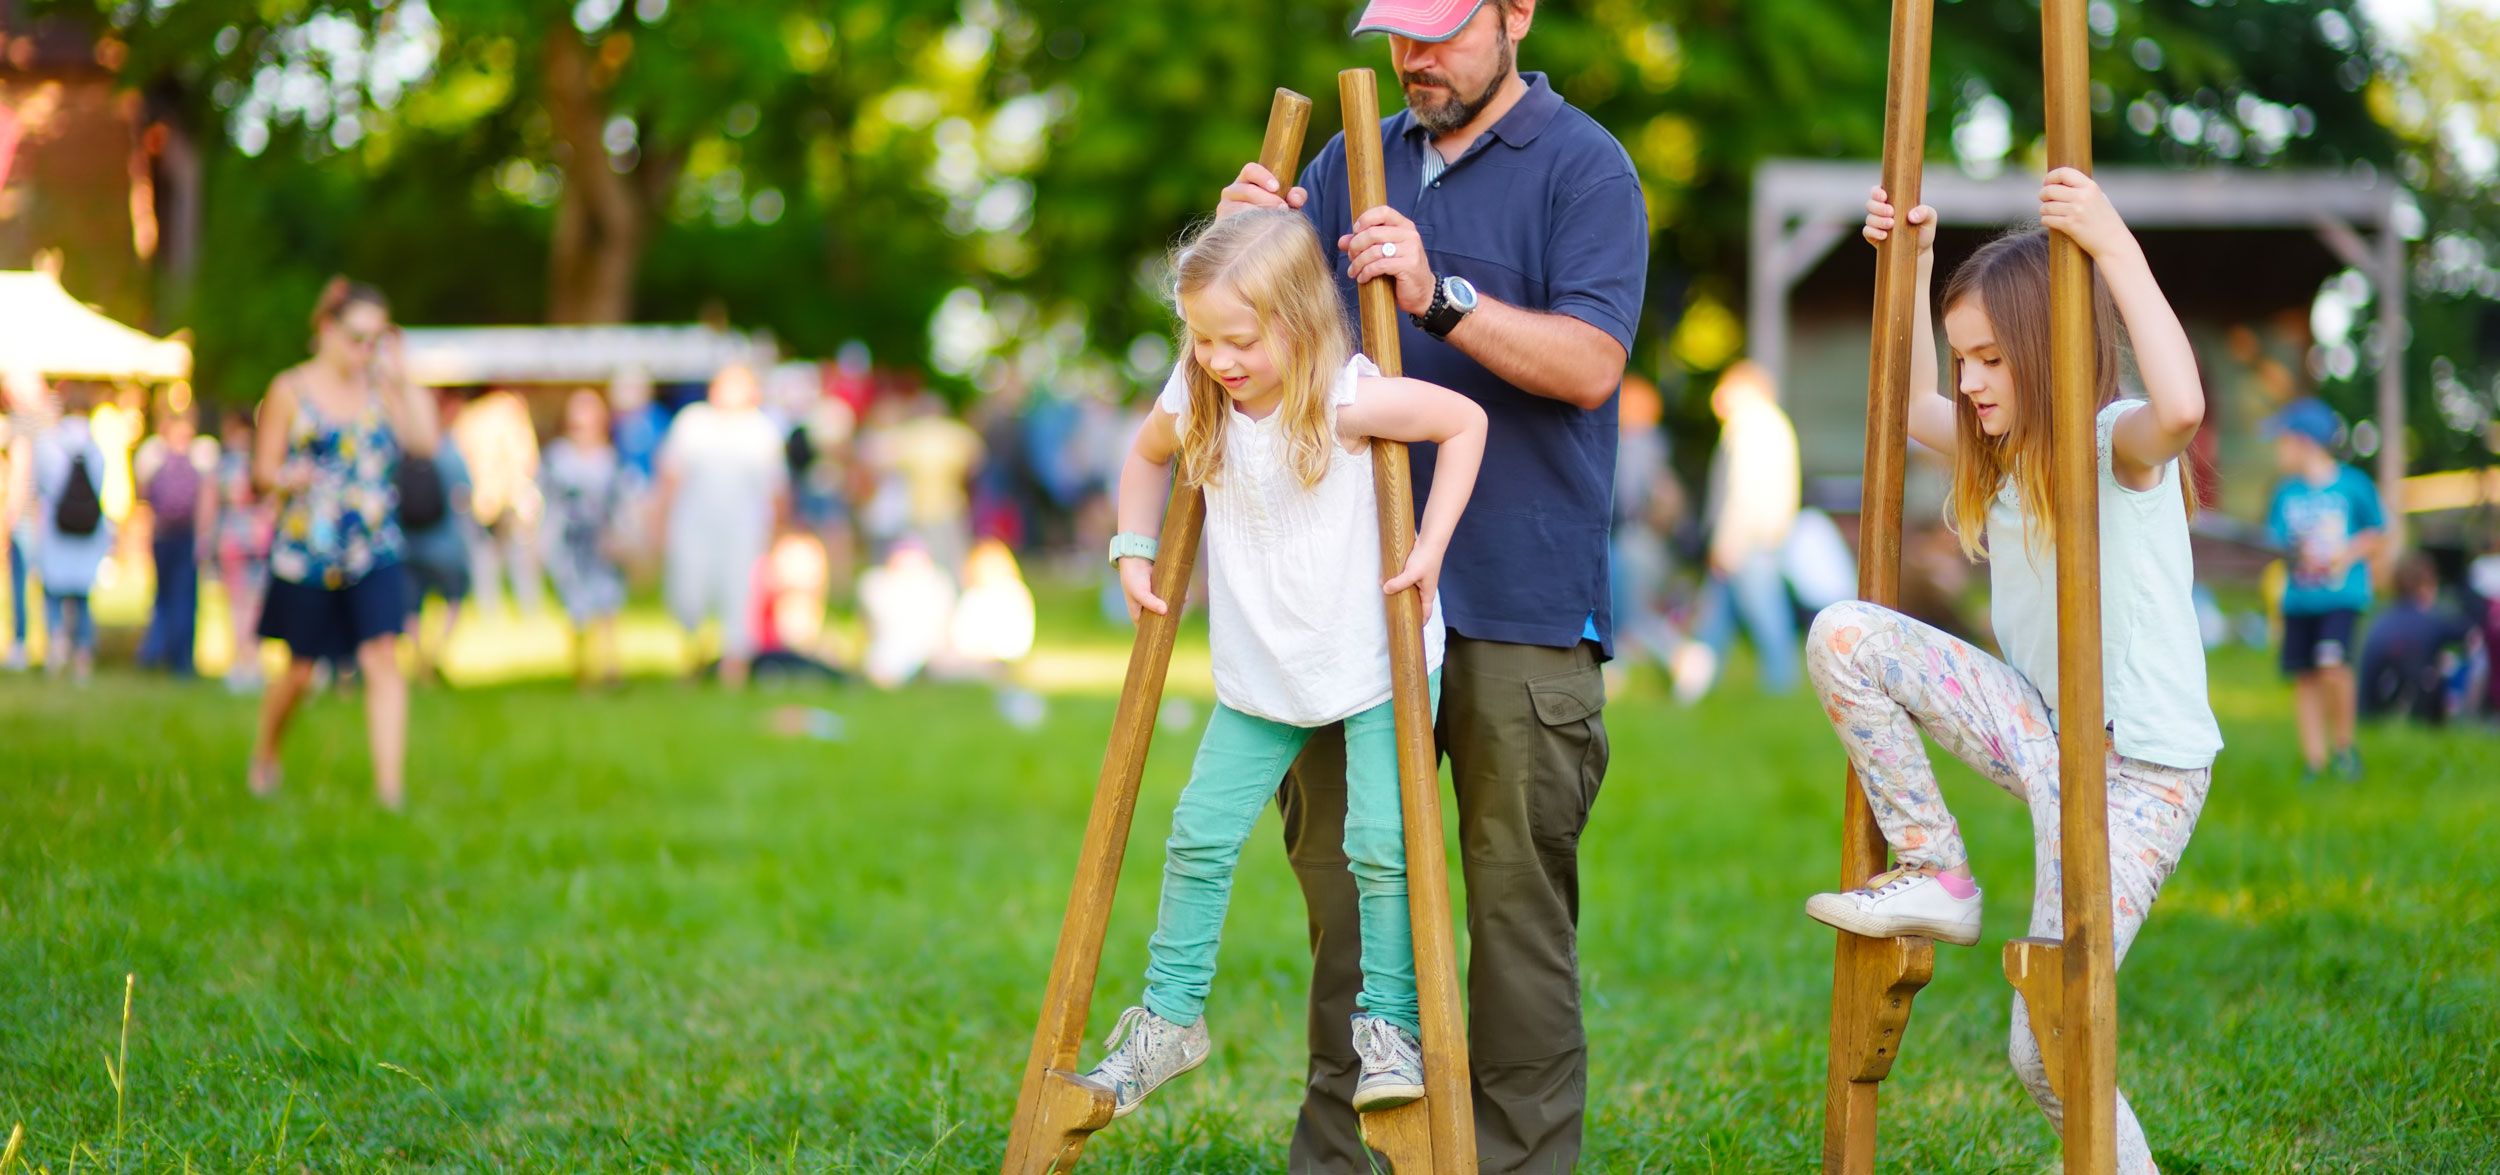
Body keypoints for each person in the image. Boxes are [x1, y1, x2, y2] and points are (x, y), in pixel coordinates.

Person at [1215, 0, 1647, 1163]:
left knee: (1515, 928)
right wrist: (1237, 248)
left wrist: (1436, 292)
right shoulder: (1350, 156)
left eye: (1443, 30)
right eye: (1397, 33)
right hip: (1346, 608)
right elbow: (1252, 348)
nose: (1413, 58)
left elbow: (1593, 364)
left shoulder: (1586, 166)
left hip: (1521, 605)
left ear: (1516, 15)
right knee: (1350, 927)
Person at [1806, 175, 2221, 1174]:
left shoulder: (2108, 443)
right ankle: (1935, 866)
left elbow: (2182, 405)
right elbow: (1908, 404)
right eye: (1964, 358)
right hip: (2044, 734)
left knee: (2044, 1041)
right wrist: (1904, 264)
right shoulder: (1995, 455)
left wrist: (2112, 241)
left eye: (1993, 357)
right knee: (1843, 633)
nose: (1974, 380)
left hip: (2140, 775)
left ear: (2046, 349)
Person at [1071, 210, 1489, 1122]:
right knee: (1197, 833)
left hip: (1374, 659)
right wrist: (1132, 546)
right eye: (1203, 338)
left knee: (1380, 845)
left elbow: (1464, 420)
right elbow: (1142, 456)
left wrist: (1432, 544)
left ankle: (1391, 1025)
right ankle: (1170, 1018)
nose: (1219, 358)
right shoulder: (1200, 394)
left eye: (1240, 339)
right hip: (1263, 670)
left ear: (1297, 319)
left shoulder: (1345, 399)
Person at [248, 278, 441, 809]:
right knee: (301, 670)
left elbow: (425, 443)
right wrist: (291, 478)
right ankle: (266, 752)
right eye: (357, 338)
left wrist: (404, 380)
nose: (365, 351)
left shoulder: (382, 389)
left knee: (383, 656)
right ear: (327, 329)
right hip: (308, 547)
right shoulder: (290, 389)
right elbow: (262, 472)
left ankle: (389, 790)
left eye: (376, 340)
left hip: (374, 545)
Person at [2263, 395, 2385, 781]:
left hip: (2340, 596)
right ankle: (2314, 760)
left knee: (2333, 667)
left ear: (2304, 442)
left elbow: (2376, 533)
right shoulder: (2286, 493)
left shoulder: (2353, 485)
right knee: (2305, 676)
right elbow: (2275, 543)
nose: (2278, 451)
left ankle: (2345, 749)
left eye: (2282, 441)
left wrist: (2345, 555)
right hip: (2300, 599)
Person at [654, 363, 788, 689]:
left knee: (740, 595)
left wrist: (777, 535)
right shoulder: (693, 423)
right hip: (693, 525)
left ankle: (734, 668)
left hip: (743, 529)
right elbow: (670, 475)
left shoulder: (761, 430)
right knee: (689, 591)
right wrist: (659, 520)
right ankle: (694, 657)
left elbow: (777, 489)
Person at [1681, 360, 1804, 698]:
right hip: (1755, 541)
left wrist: (1727, 542)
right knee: (1715, 620)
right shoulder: (1767, 423)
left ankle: (1780, 688)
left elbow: (1744, 492)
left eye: (1726, 388)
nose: (1719, 397)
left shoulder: (1753, 426)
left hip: (1748, 543)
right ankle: (1693, 690)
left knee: (1767, 619)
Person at [541, 388, 628, 688]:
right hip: (571, 543)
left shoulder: (610, 458)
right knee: (576, 606)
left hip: (601, 540)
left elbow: (618, 500)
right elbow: (548, 499)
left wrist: (618, 536)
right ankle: (582, 668)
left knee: (607, 603)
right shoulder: (558, 457)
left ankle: (610, 666)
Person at [32, 383, 113, 682]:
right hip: (88, 531)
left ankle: (57, 647)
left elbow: (39, 486)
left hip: (57, 528)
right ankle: (82, 656)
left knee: (54, 591)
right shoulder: (96, 449)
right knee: (82, 598)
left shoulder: (49, 444)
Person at [397, 397, 474, 684]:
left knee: (412, 606)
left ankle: (419, 657)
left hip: (409, 543)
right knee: (454, 599)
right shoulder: (450, 453)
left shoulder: (401, 452)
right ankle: (435, 653)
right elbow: (465, 495)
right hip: (447, 544)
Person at [136, 404, 217, 676]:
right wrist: (204, 536)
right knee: (185, 597)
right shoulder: (201, 456)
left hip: (163, 534)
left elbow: (143, 495)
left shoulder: (154, 456)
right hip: (186, 535)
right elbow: (207, 499)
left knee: (163, 595)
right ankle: (181, 661)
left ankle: (153, 653)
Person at [2358, 553, 2478, 723]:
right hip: (2410, 703)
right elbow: (2471, 632)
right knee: (2445, 663)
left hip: (2369, 708)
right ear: (2426, 586)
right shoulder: (2431, 620)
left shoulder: (2380, 618)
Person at [213, 406, 274, 691]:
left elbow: (213, 502)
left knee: (239, 605)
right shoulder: (262, 460)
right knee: (256, 603)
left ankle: (242, 662)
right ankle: (253, 661)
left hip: (234, 541)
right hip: (259, 540)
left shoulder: (227, 464)